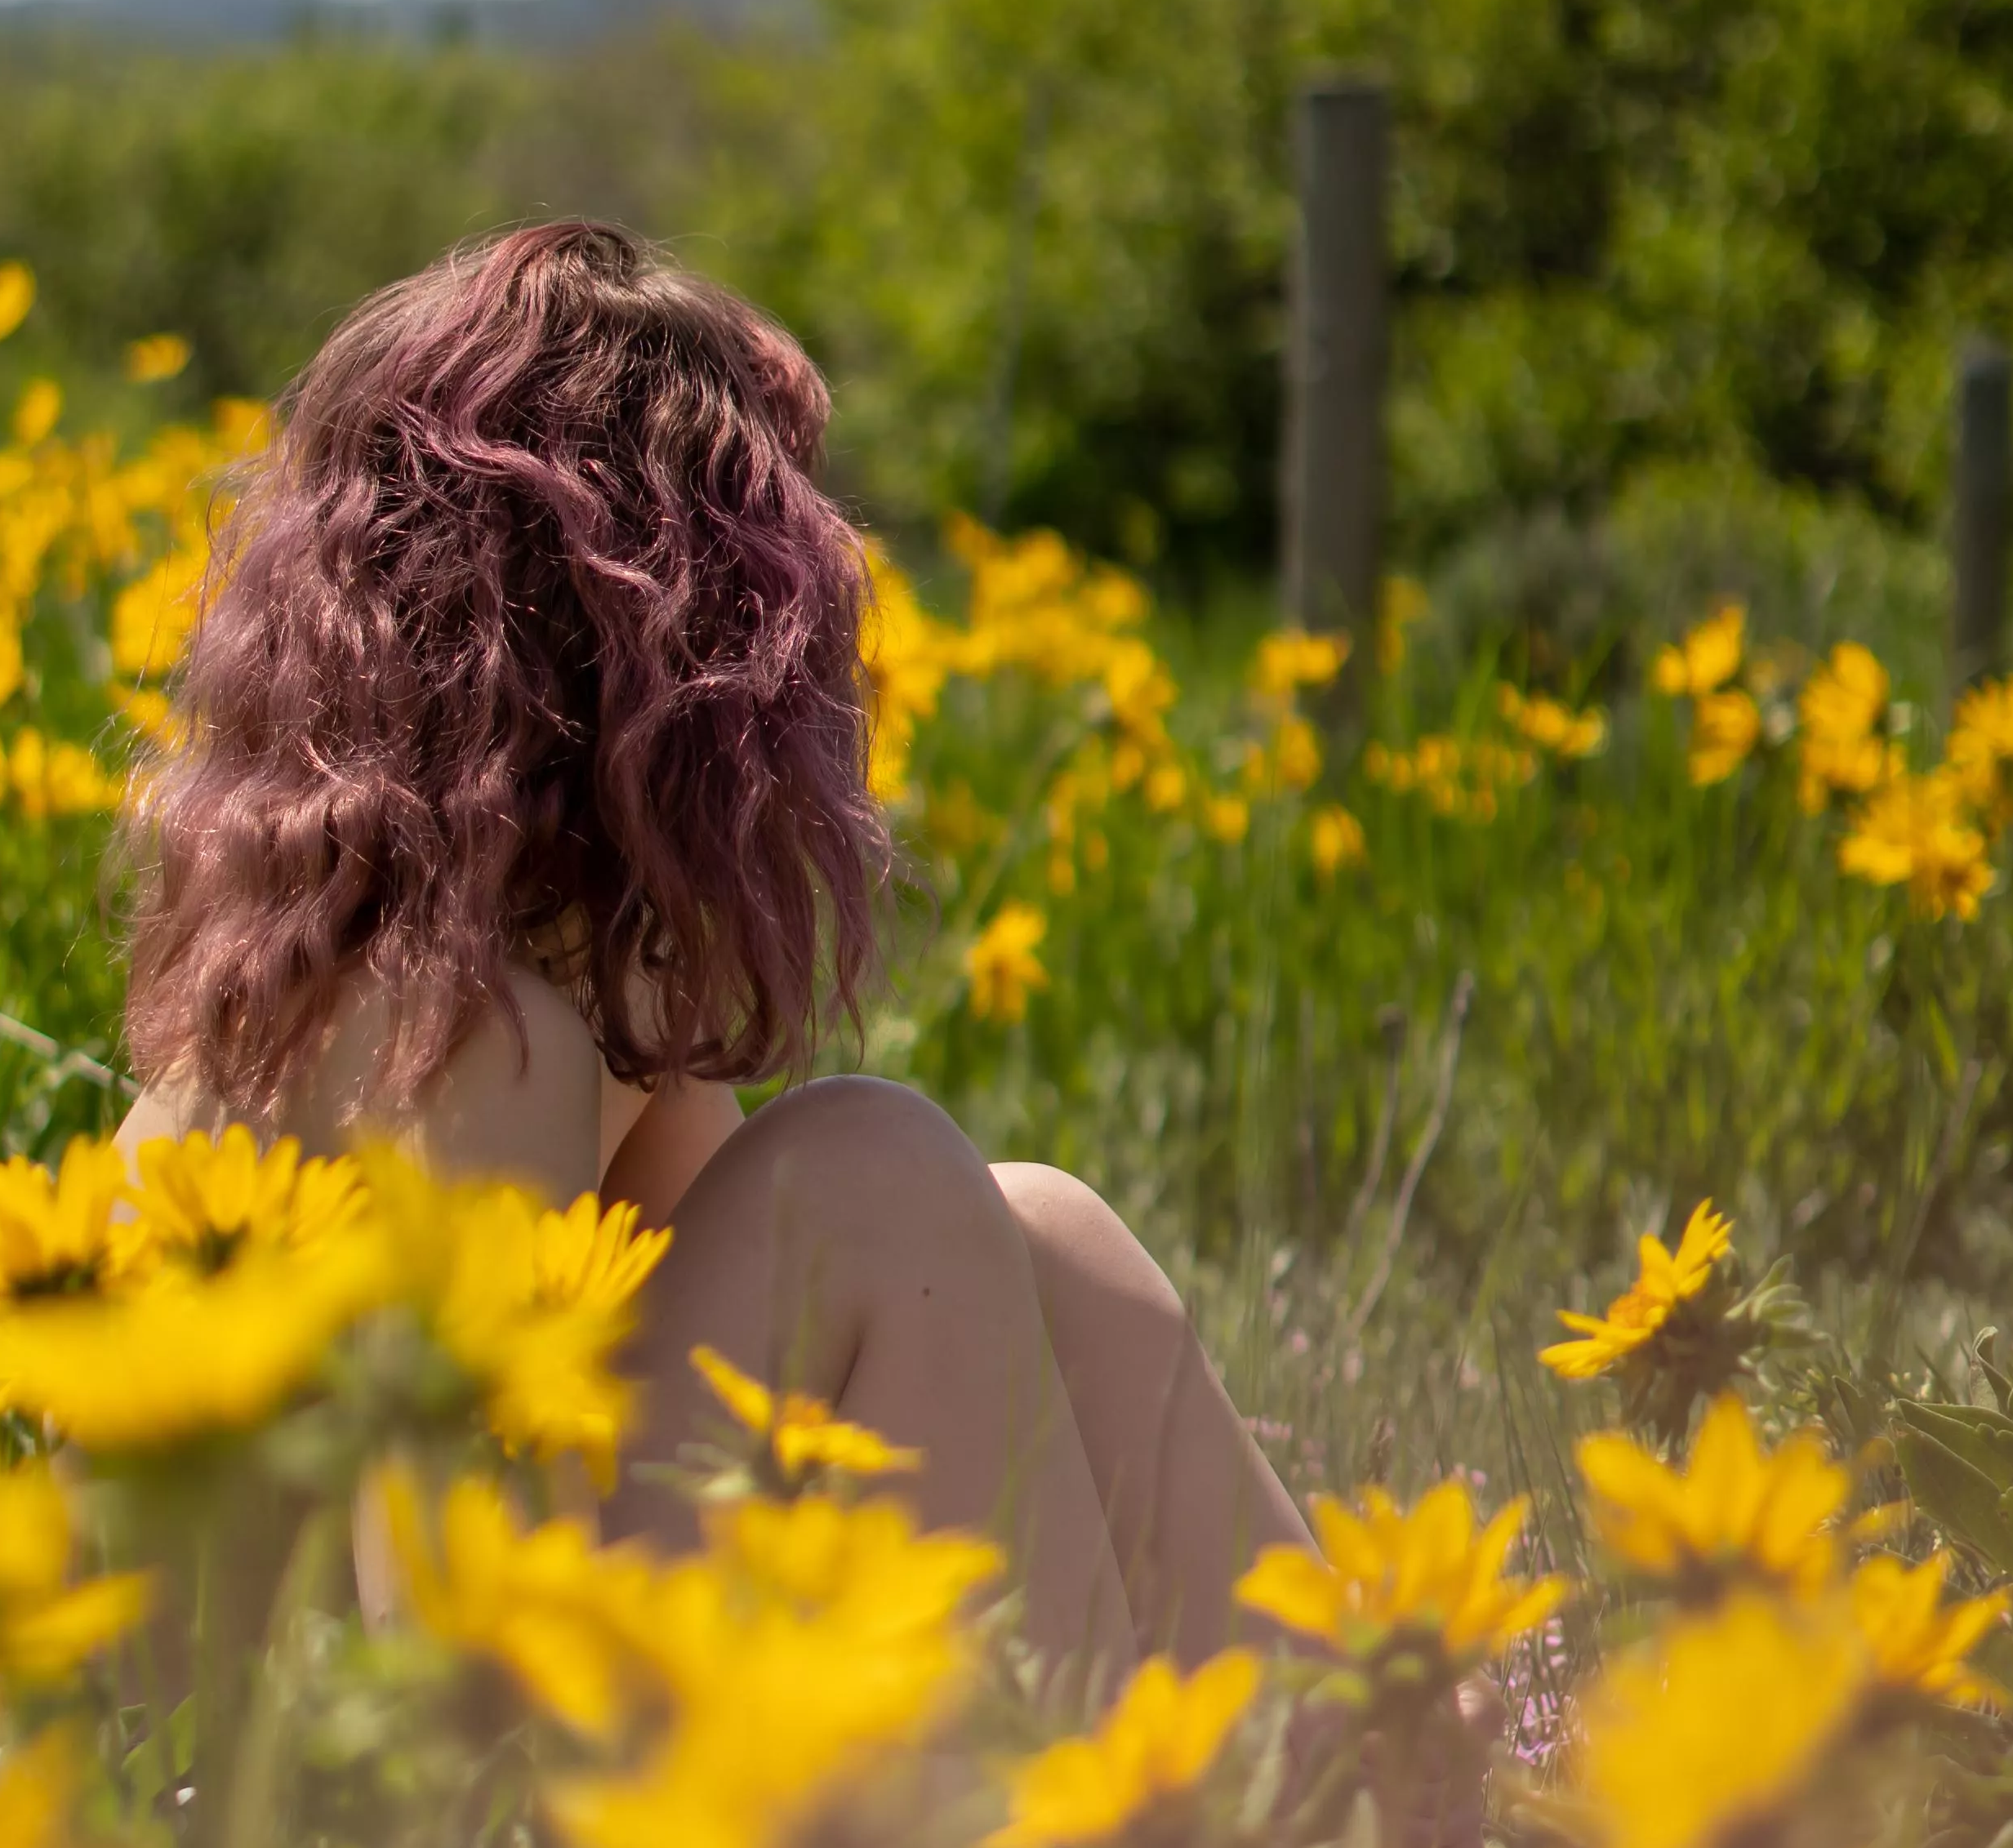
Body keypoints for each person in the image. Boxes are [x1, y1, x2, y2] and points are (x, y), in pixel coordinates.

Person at [118, 220, 1306, 1685]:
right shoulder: (462, 1027)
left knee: (1039, 1227)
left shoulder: (569, 1000)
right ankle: (1114, 1819)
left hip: (432, 1706)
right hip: (272, 1781)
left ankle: (1390, 1781)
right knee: (874, 1180)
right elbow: (447, 1664)